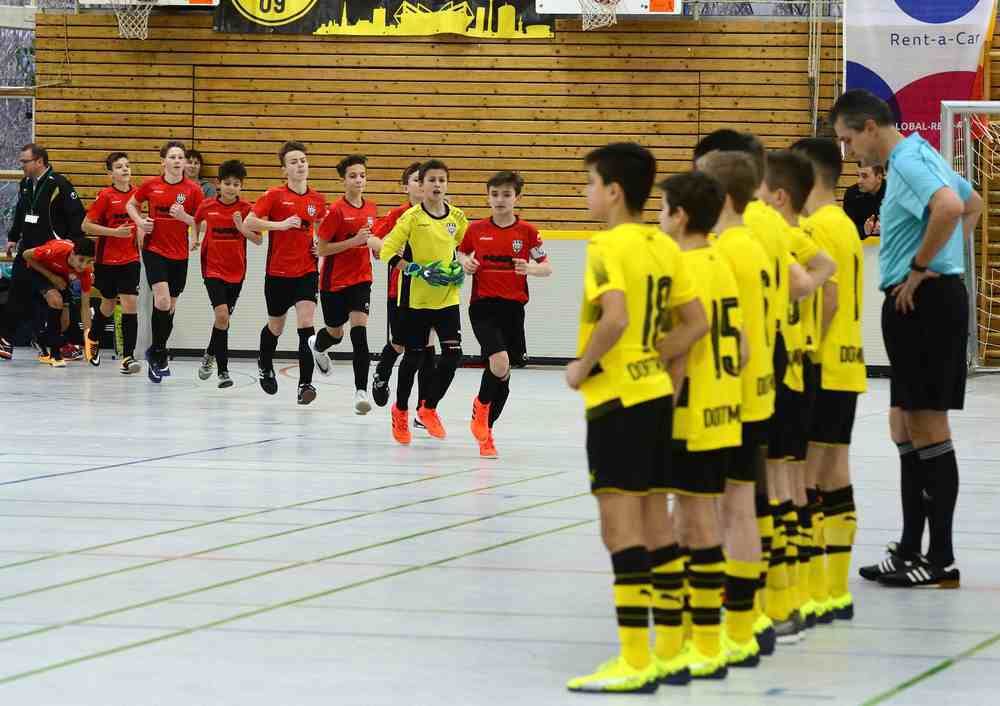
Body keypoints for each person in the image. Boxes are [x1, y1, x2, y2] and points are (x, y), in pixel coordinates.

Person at [564, 143, 707, 694]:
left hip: (617, 401)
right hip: (653, 398)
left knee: (619, 528)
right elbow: (694, 324)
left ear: (614, 191)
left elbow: (616, 316)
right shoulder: (663, 245)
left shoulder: (607, 246)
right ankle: (669, 653)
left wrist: (582, 365)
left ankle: (633, 659)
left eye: (590, 184)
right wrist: (654, 356)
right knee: (655, 525)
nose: (586, 193)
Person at [831, 89, 982, 588]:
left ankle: (940, 560)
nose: (850, 152)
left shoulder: (910, 160)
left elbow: (950, 206)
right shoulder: (917, 155)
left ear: (870, 128)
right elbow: (972, 202)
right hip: (918, 302)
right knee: (902, 423)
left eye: (849, 140)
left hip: (925, 304)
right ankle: (912, 546)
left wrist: (925, 269)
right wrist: (941, 261)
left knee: (927, 424)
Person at [657, 170, 747, 678]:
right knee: (703, 518)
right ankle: (705, 632)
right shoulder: (721, 260)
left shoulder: (682, 266)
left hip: (690, 409)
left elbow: (683, 349)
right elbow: (746, 344)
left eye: (662, 208)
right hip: (724, 407)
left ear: (680, 215)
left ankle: (701, 642)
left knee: (691, 521)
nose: (658, 217)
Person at [694, 151, 777, 667]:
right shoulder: (756, 245)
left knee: (717, 509)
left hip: (725, 394)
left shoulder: (720, 251)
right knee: (743, 505)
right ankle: (751, 616)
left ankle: (729, 618)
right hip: (758, 389)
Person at [757, 150, 837, 640]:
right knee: (788, 479)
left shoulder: (781, 234)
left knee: (781, 479)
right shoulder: (792, 234)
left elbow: (822, 286)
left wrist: (808, 341)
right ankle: (800, 590)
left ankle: (788, 596)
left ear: (777, 195)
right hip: (790, 364)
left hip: (787, 366)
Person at [792, 137, 868, 622]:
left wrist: (804, 351)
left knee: (806, 478)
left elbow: (830, 299)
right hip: (849, 360)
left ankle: (813, 589)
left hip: (820, 361)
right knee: (835, 474)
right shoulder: (844, 222)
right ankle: (835, 589)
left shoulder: (817, 226)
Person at [456, 170, 551, 458]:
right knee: (499, 362)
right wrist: (465, 263)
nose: (500, 200)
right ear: (488, 196)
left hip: (513, 309)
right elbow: (460, 254)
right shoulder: (475, 230)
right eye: (495, 194)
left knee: (505, 373)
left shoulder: (528, 233)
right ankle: (481, 409)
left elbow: (546, 266)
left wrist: (530, 268)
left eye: (506, 195)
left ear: (517, 198)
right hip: (483, 306)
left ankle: (487, 431)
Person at [377, 159, 468, 445]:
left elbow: (465, 249)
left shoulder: (457, 217)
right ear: (422, 185)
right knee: (414, 357)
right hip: (415, 300)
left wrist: (462, 266)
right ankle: (401, 410)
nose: (437, 185)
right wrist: (417, 270)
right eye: (432, 180)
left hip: (447, 298)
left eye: (442, 180)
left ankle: (428, 407)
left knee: (453, 355)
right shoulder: (412, 218)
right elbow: (387, 252)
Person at [244, 140, 327, 405]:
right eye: (294, 161)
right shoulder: (274, 195)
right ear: (284, 170)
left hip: (306, 271)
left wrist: (320, 250)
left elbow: (324, 232)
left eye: (303, 160)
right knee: (276, 327)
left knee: (306, 326)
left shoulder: (317, 200)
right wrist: (280, 225)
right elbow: (250, 222)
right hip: (278, 274)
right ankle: (264, 362)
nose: (300, 165)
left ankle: (305, 384)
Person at [127, 140, 204, 383]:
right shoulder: (151, 185)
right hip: (154, 249)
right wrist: (140, 222)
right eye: (172, 157)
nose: (177, 161)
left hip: (179, 253)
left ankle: (156, 351)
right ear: (163, 162)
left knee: (169, 308)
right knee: (160, 300)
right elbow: (131, 204)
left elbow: (201, 221)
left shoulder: (193, 190)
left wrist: (187, 221)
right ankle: (159, 354)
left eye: (180, 157)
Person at [0, 143, 85, 360]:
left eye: (25, 161)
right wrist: (12, 238)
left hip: (51, 255)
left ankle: (57, 342)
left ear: (39, 162)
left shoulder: (60, 184)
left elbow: (77, 216)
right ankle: (5, 341)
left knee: (59, 301)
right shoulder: (26, 183)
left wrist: (73, 248)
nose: (21, 165)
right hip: (27, 251)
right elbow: (21, 212)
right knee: (16, 298)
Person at [310, 154, 378, 414]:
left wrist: (376, 249)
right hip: (334, 282)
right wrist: (354, 242)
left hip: (361, 279)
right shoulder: (336, 211)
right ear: (343, 180)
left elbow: (371, 241)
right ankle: (317, 345)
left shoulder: (371, 208)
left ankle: (361, 392)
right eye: (353, 176)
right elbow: (323, 249)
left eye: (362, 175)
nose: (359, 180)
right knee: (335, 334)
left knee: (359, 334)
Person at [369, 162, 437, 410]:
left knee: (428, 346)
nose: (422, 185)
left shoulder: (441, 214)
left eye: (425, 180)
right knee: (401, 343)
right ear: (405, 186)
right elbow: (373, 238)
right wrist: (389, 247)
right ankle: (381, 373)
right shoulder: (398, 215)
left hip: (431, 292)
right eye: (416, 180)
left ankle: (424, 409)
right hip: (401, 291)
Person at [193, 159, 261, 389]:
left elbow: (258, 239)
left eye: (236, 184)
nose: (231, 187)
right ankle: (223, 371)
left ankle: (210, 353)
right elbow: (195, 220)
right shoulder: (207, 205)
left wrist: (242, 228)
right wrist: (195, 239)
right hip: (212, 269)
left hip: (237, 271)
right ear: (219, 184)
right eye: (227, 183)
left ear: (241, 186)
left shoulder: (246, 210)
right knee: (222, 316)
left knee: (223, 320)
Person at [81, 151, 142, 374]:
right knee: (107, 304)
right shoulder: (105, 196)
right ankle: (93, 337)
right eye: (119, 167)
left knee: (129, 304)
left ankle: (128, 356)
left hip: (131, 259)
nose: (125, 169)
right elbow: (86, 226)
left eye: (127, 165)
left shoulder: (137, 195)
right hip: (106, 260)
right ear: (110, 173)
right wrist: (113, 233)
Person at [22, 237, 95, 367]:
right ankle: (55, 354)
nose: (83, 266)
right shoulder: (55, 250)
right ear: (72, 254)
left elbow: (85, 306)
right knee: (56, 300)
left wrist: (88, 339)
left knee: (64, 323)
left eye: (89, 261)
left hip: (61, 277)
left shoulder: (86, 271)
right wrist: (51, 277)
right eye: (81, 260)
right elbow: (26, 254)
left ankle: (40, 340)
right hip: (39, 272)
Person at [843, 162, 885, 239]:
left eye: (864, 176)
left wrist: (888, 228)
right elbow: (847, 229)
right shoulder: (851, 193)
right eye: (858, 175)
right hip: (861, 246)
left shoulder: (894, 192)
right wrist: (864, 230)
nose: (859, 181)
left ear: (879, 178)